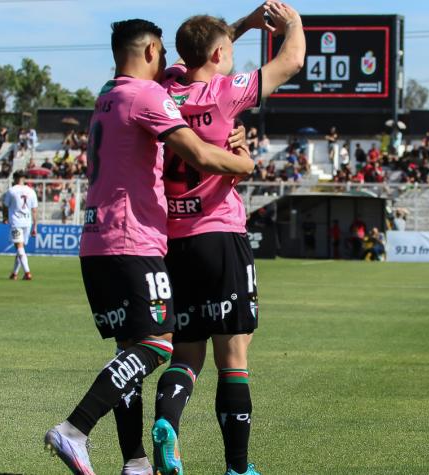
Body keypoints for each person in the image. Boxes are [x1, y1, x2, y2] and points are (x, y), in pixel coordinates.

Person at [43, 18, 253, 475]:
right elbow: (197, 153)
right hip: (132, 238)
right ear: (154, 50)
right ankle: (75, 428)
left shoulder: (106, 93)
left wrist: (245, 24)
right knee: (159, 347)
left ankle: (135, 462)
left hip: (96, 240)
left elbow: (202, 52)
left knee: (130, 355)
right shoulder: (149, 96)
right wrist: (244, 161)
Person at [151, 4, 303, 475]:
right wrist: (290, 23)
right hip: (220, 233)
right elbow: (291, 61)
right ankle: (238, 467)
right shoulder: (226, 92)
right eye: (230, 50)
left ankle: (167, 423)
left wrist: (243, 25)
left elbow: (202, 50)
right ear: (220, 54)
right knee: (233, 356)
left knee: (187, 353)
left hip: (172, 240)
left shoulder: (164, 87)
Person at [3, 171, 38, 280]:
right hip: (27, 222)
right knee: (20, 248)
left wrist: (5, 217)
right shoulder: (31, 191)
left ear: (14, 178)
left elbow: (5, 206)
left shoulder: (11, 191)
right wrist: (35, 226)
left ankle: (27, 272)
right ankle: (14, 273)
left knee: (19, 247)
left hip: (16, 222)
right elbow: (35, 210)